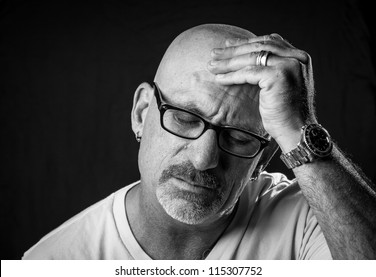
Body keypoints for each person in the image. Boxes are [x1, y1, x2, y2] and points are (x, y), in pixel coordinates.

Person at [22, 23, 376, 260]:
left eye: (238, 137)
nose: (204, 157)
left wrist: (300, 129)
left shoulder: (314, 219)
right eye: (185, 118)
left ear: (262, 161)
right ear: (141, 113)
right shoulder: (54, 260)